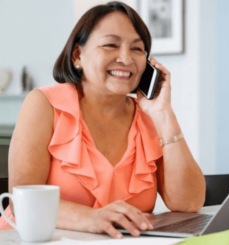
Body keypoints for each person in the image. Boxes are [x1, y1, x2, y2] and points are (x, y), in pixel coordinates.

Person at [0, 1, 205, 238]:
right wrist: (92, 217)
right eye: (110, 45)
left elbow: (188, 202)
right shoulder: (43, 104)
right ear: (78, 55)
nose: (126, 59)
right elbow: (22, 201)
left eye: (137, 49)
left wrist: (164, 114)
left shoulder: (149, 117)